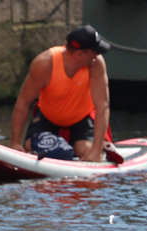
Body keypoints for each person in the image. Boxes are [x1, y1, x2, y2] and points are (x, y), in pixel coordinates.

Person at [11, 25, 111, 162]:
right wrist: (15, 144)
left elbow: (102, 106)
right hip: (48, 117)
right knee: (30, 146)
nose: (97, 55)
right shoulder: (44, 64)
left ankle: (88, 148)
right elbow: (23, 102)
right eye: (94, 52)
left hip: (81, 119)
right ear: (80, 54)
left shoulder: (96, 64)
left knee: (86, 150)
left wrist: (96, 150)